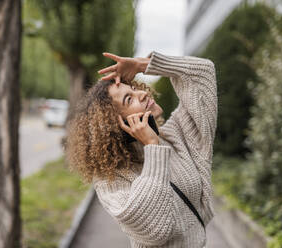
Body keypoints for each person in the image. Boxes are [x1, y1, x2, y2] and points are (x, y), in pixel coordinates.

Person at [65, 51, 218, 248]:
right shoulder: (111, 180)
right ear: (115, 124)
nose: (143, 93)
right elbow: (155, 230)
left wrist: (141, 65)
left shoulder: (174, 137)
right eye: (129, 99)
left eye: (133, 88)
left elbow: (203, 72)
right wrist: (152, 147)